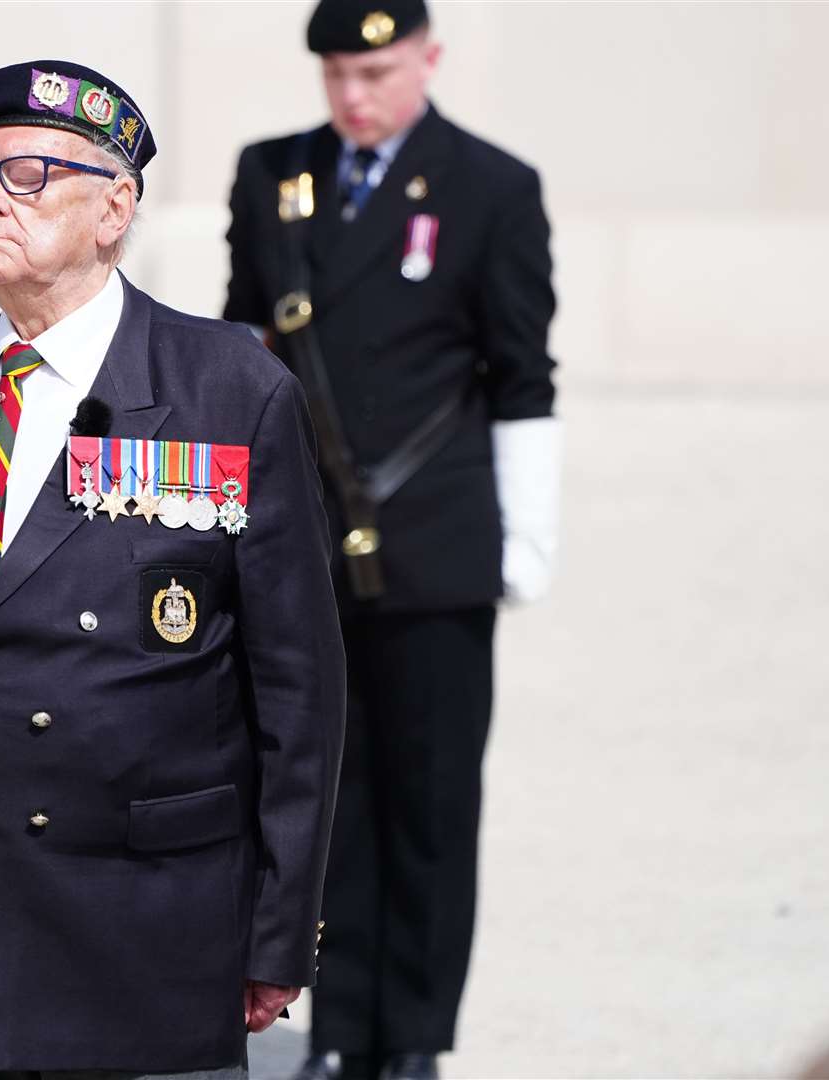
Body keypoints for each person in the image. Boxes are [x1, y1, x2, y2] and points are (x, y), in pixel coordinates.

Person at [0, 59, 347, 1078]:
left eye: (24, 175)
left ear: (115, 208)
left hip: (139, 935)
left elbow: (300, 691)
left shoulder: (228, 392)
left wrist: (280, 931)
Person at [222, 3, 562, 1078]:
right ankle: (342, 1030)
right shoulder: (273, 173)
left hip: (434, 540)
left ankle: (411, 1038)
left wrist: (527, 531)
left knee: (429, 798)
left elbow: (522, 375)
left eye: (375, 70)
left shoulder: (490, 187)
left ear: (428, 59)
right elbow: (240, 350)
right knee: (325, 795)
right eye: (336, 72)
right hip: (302, 536)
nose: (353, 94)